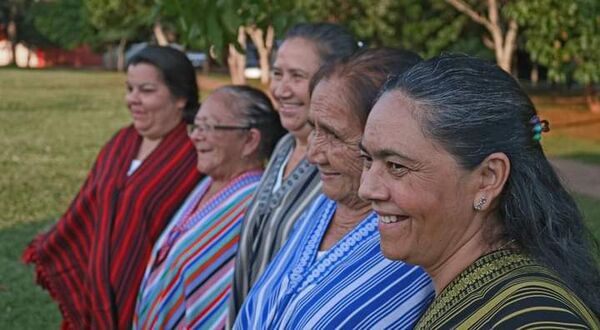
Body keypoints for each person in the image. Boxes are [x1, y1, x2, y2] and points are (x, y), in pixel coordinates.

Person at [359, 54, 600, 328]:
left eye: (396, 166)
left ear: (488, 178)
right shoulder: (474, 289)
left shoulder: (534, 321)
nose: (366, 189)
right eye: (367, 159)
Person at [234, 48, 434, 329]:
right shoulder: (323, 205)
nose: (314, 154)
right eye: (313, 128)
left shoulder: (412, 240)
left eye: (334, 135)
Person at [22, 45, 203, 329]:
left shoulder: (194, 156)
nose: (133, 100)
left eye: (146, 90)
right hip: (99, 287)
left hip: (154, 299)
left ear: (180, 97)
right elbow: (88, 209)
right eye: (129, 89)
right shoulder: (121, 142)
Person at [230, 22, 359, 319]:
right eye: (277, 74)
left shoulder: (343, 168)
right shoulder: (284, 147)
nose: (280, 89)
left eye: (297, 77)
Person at [133, 85, 285, 330]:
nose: (195, 136)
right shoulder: (207, 184)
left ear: (249, 140)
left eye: (208, 127)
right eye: (196, 125)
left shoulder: (254, 204)